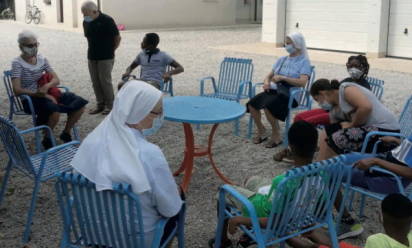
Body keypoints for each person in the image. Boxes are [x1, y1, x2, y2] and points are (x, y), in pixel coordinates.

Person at [71, 82, 183, 247]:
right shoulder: (149, 154)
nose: (160, 116)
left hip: (96, 234)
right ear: (140, 112)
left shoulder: (90, 142)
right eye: (156, 112)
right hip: (136, 240)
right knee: (179, 199)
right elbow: (169, 208)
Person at [209, 121, 318, 248]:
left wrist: (239, 220)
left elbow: (274, 222)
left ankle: (222, 241)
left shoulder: (284, 181)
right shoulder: (323, 173)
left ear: (291, 147)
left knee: (223, 191)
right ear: (316, 147)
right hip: (298, 213)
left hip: (265, 211)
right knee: (252, 180)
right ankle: (248, 236)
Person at [11, 30, 88, 149]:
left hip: (49, 91)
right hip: (31, 97)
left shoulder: (42, 58)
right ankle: (47, 137)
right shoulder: (17, 63)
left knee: (80, 104)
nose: (34, 47)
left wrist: (47, 86)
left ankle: (66, 132)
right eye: (30, 45)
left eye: (36, 44)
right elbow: (17, 90)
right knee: (54, 111)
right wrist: (39, 94)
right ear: (21, 46)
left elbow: (56, 79)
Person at [247, 32, 312, 148]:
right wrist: (267, 82)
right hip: (275, 90)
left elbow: (302, 82)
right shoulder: (281, 60)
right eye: (286, 43)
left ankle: (276, 135)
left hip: (292, 94)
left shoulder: (304, 62)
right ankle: (262, 130)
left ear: (297, 44)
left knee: (268, 105)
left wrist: (283, 77)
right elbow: (269, 75)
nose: (286, 46)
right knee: (252, 104)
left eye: (289, 43)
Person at [313, 79, 400, 161]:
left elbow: (366, 107)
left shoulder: (345, 90)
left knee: (337, 139)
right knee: (328, 131)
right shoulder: (334, 109)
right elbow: (333, 127)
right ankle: (320, 166)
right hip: (369, 130)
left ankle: (326, 170)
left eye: (318, 100)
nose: (319, 104)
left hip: (385, 131)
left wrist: (351, 125)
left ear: (322, 93)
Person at [293, 55, 371, 126]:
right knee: (298, 117)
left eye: (356, 66)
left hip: (340, 114)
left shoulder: (364, 86)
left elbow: (357, 108)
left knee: (304, 123)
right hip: (331, 109)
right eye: (350, 66)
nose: (353, 69)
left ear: (363, 67)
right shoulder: (346, 80)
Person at [82, 1, 121, 115]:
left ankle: (110, 106)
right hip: (92, 56)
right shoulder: (86, 22)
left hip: (106, 57)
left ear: (95, 11)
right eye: (83, 14)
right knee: (95, 81)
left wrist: (112, 50)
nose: (84, 16)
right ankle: (100, 104)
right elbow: (87, 37)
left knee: (105, 81)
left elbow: (117, 38)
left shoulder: (107, 20)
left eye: (86, 14)